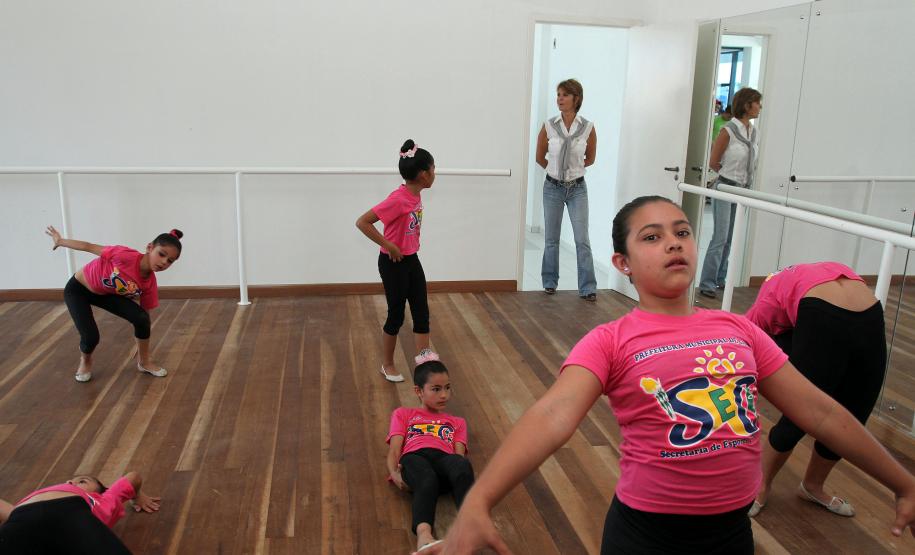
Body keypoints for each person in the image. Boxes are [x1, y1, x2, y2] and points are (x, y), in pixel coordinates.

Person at [418, 196, 915, 555]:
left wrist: (903, 483)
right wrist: (480, 499)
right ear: (623, 263)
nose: (673, 244)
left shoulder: (738, 329)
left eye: (682, 232)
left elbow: (822, 411)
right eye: (652, 238)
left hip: (731, 533)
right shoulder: (611, 339)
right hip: (646, 536)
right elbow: (553, 414)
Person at [744, 262, 886, 518]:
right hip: (840, 312)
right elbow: (744, 341)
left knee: (853, 416)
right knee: (799, 415)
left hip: (866, 315)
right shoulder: (771, 303)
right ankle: (759, 485)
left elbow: (747, 337)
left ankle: (812, 486)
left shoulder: (768, 298)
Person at [46, 226, 183, 382]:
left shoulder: (149, 284)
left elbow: (144, 316)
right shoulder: (124, 255)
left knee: (142, 318)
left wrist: (140, 348)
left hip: (104, 294)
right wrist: (60, 241)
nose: (164, 262)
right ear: (149, 247)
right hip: (78, 290)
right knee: (91, 338)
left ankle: (144, 362)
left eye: (170, 261)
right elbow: (88, 246)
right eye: (162, 254)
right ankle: (85, 360)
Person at [356, 140, 440, 383]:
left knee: (421, 313)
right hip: (393, 264)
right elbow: (362, 222)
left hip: (412, 259)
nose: (435, 173)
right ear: (424, 175)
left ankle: (424, 364)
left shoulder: (415, 196)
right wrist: (388, 245)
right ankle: (388, 364)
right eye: (433, 169)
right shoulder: (398, 199)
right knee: (396, 315)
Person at [387, 360, 474, 553]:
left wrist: (459, 474)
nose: (444, 395)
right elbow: (394, 449)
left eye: (447, 388)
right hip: (415, 459)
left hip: (443, 460)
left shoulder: (457, 422)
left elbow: (458, 456)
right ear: (418, 391)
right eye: (435, 389)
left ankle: (469, 529)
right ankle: (424, 536)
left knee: (462, 465)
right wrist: (394, 474)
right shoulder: (404, 414)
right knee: (426, 477)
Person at [535, 78, 598, 301]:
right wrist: (555, 171)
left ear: (576, 99)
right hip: (552, 187)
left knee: (582, 239)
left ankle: (588, 288)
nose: (559, 99)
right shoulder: (549, 125)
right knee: (551, 239)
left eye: (565, 95)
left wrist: (572, 170)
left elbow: (589, 158)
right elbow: (539, 156)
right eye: (558, 94)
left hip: (578, 189)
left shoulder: (588, 127)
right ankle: (550, 282)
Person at [0, 471, 160, 554]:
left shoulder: (106, 498)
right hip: (23, 516)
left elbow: (133, 477)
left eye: (82, 481)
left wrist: (137, 495)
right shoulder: (23, 509)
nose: (70, 482)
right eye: (69, 481)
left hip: (69, 510)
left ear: (99, 493)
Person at [699, 87, 761, 299]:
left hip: (743, 190)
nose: (760, 107)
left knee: (731, 237)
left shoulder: (753, 132)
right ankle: (707, 282)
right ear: (747, 105)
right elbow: (714, 161)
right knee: (720, 237)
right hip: (726, 186)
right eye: (757, 103)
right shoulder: (728, 130)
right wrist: (727, 175)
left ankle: (720, 279)